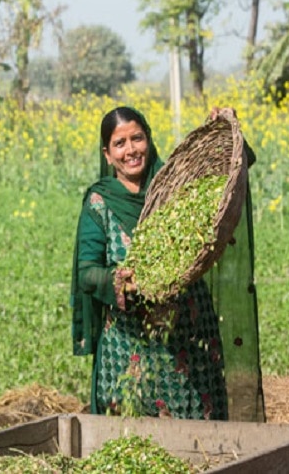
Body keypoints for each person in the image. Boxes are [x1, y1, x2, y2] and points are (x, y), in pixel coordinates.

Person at [70, 105, 265, 421]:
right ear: (107, 154)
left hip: (188, 338)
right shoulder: (99, 202)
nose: (131, 150)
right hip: (127, 343)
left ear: (149, 139)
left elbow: (235, 169)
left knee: (195, 429)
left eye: (137, 138)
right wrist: (121, 279)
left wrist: (225, 133)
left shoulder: (176, 187)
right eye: (120, 143)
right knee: (129, 438)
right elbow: (87, 272)